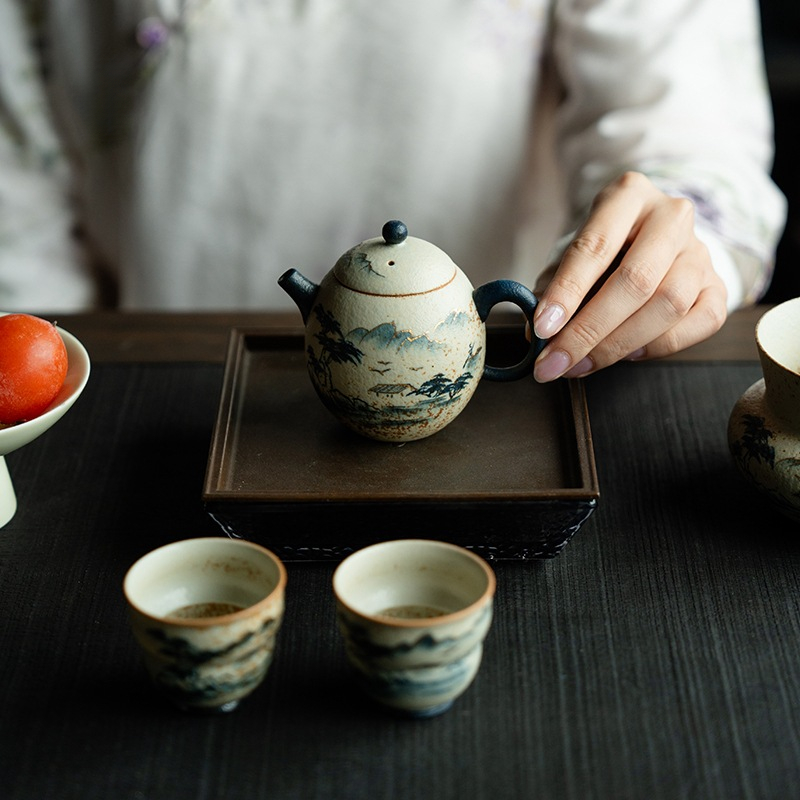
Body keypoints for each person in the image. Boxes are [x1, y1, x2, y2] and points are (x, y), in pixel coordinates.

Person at [0, 0, 786, 383]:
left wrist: (670, 243)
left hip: (501, 395)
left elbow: (684, 124)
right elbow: (17, 211)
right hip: (155, 386)